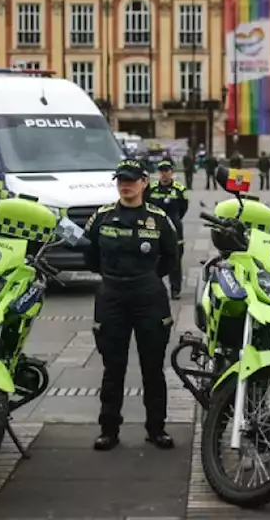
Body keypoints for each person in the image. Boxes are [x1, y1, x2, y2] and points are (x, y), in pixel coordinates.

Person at [84, 159, 178, 451]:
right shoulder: (102, 216)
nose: (125, 185)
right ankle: (109, 429)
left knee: (153, 367)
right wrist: (113, 278)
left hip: (148, 296)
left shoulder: (159, 218)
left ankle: (156, 428)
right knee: (113, 367)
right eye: (121, 180)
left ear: (144, 182)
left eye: (131, 180)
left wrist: (146, 279)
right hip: (112, 295)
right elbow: (90, 256)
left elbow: (171, 258)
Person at [146, 159, 189, 300]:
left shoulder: (179, 190)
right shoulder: (151, 189)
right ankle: (154, 288)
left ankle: (175, 289)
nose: (164, 174)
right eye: (162, 171)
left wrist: (175, 219)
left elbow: (183, 208)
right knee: (153, 259)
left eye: (167, 171)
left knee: (175, 260)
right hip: (155, 229)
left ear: (171, 172)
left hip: (175, 229)